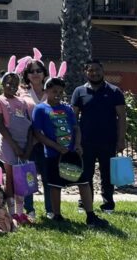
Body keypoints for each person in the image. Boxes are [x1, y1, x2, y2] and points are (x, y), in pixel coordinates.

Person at [32, 76, 108, 228]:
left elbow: (76, 128)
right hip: (53, 155)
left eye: (60, 92)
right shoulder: (40, 109)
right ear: (46, 91)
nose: (58, 94)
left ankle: (90, 215)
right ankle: (57, 215)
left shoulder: (67, 109)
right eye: (54, 91)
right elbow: (38, 133)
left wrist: (78, 144)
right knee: (55, 185)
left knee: (83, 182)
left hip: (72, 154)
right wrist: (55, 146)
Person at [71, 60, 127, 213]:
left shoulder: (115, 91)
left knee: (107, 174)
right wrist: (75, 141)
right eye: (90, 70)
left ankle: (108, 204)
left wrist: (121, 140)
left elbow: (121, 117)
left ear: (102, 71)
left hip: (108, 141)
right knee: (85, 174)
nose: (94, 73)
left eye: (97, 70)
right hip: (85, 142)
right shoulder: (79, 92)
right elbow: (73, 118)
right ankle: (84, 203)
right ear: (85, 72)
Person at [0, 70, 35, 224]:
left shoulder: (22, 102)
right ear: (3, 84)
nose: (12, 86)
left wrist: (27, 147)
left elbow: (29, 125)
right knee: (10, 177)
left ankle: (20, 210)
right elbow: (1, 126)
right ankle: (12, 212)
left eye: (15, 83)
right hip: (8, 143)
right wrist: (15, 147)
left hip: (23, 143)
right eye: (8, 83)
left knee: (22, 177)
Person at [18, 51, 51, 218]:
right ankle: (29, 210)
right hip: (29, 141)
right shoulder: (21, 92)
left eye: (39, 70)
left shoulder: (51, 91)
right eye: (32, 71)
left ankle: (51, 209)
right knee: (28, 175)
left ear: (44, 73)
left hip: (48, 142)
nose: (36, 74)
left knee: (47, 176)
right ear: (27, 75)